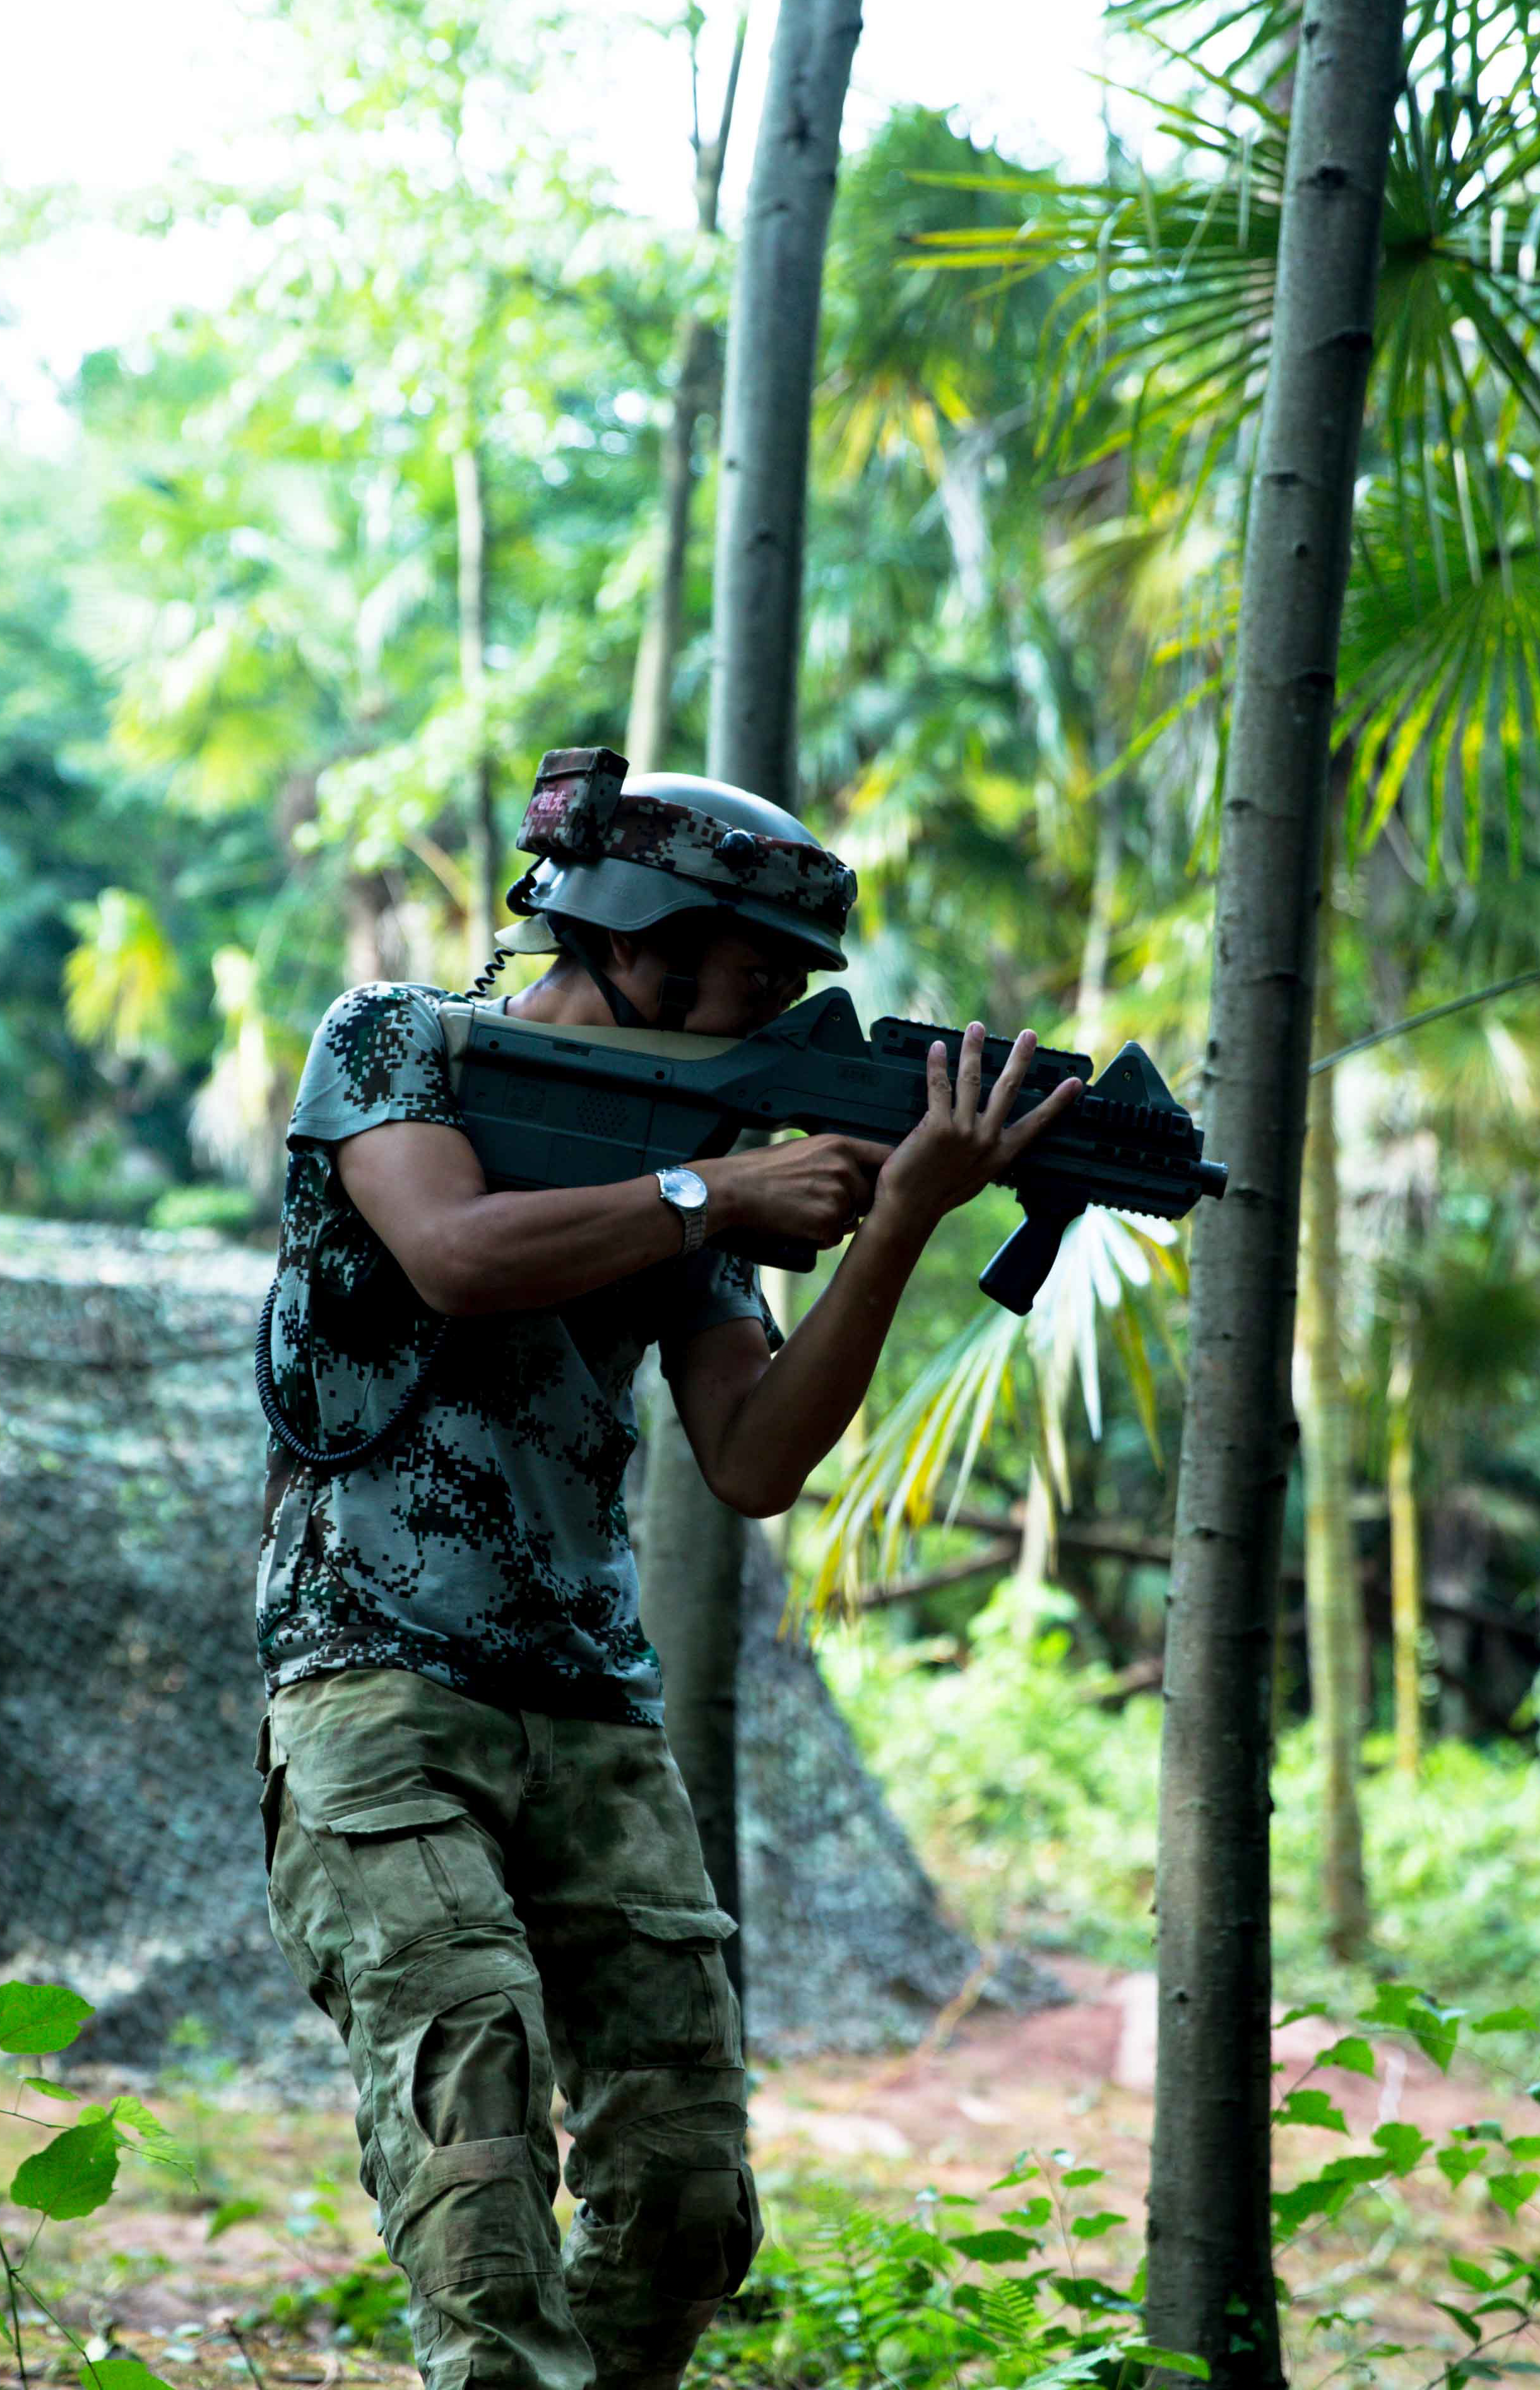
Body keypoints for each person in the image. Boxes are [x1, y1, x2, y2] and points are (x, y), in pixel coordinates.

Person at [251, 757, 1079, 2390]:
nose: (775, 1001)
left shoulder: (697, 1155)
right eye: (752, 963)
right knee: (473, 2142)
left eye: (790, 976)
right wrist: (715, 1189)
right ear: (631, 930)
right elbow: (454, 1256)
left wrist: (898, 1218)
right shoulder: (399, 1040)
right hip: (372, 1680)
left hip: (591, 1707)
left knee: (691, 2192)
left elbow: (756, 1458)